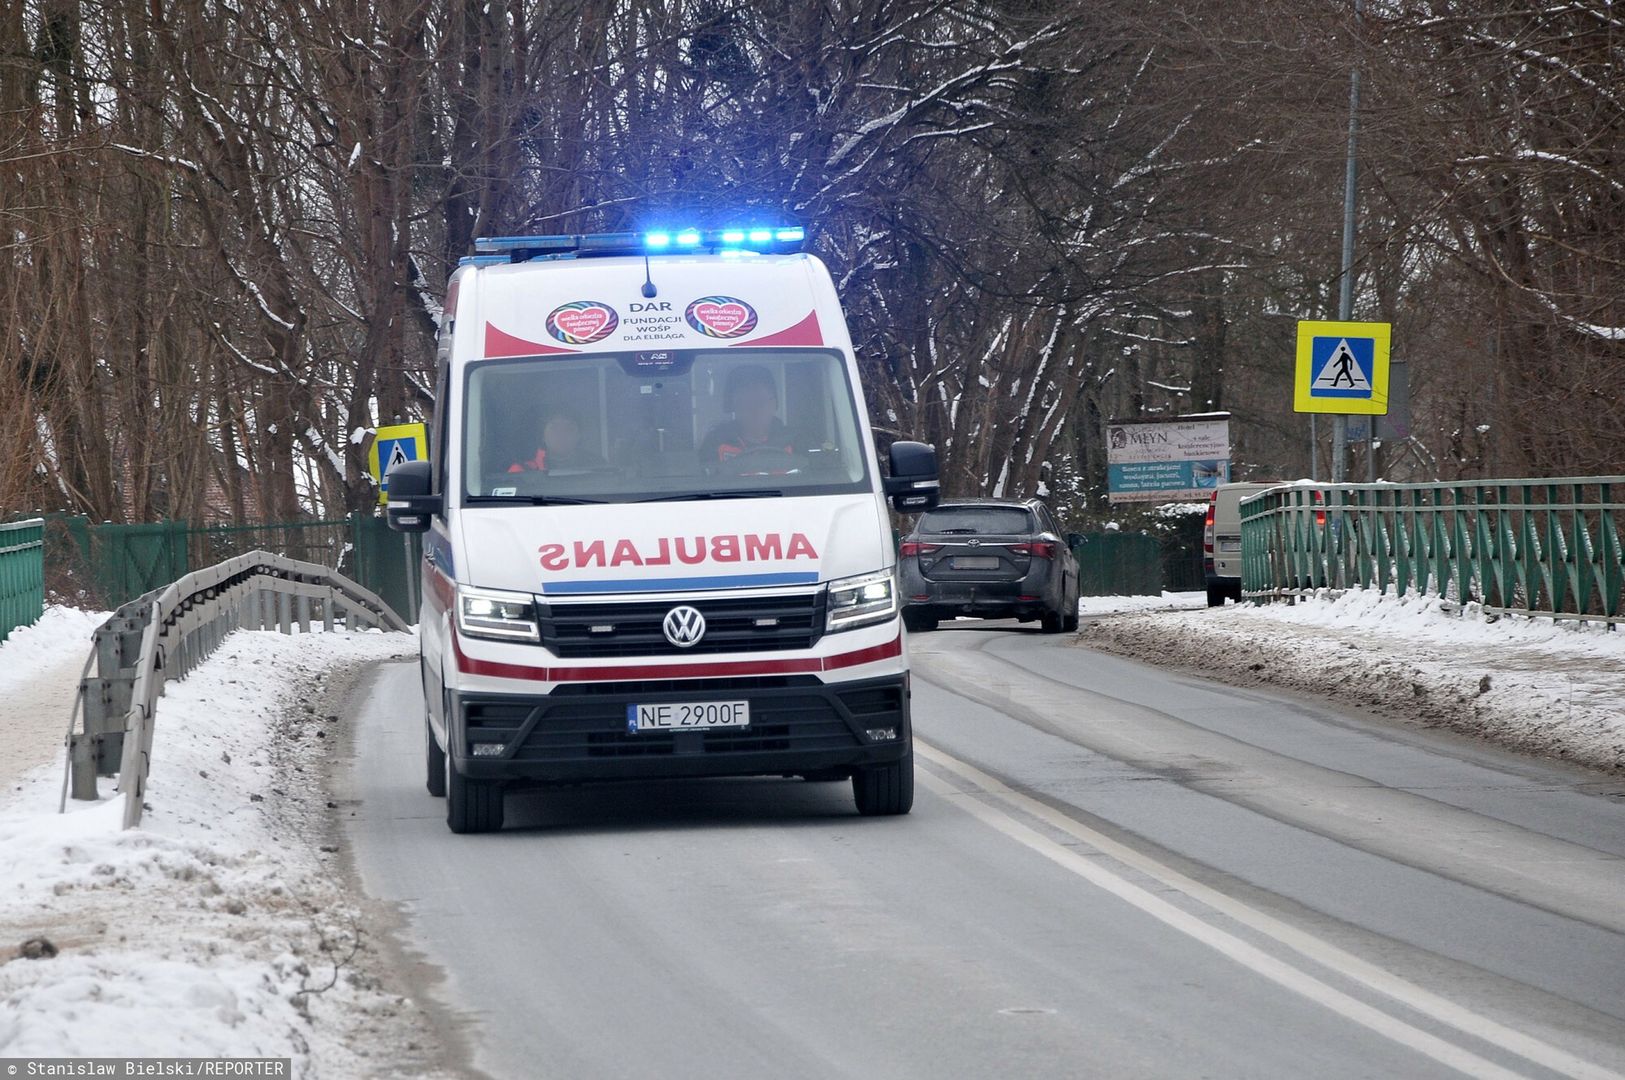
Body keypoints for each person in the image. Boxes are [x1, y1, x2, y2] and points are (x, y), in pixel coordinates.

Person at [699, 365, 795, 466]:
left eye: (761, 401)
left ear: (774, 404)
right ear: (734, 407)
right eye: (746, 403)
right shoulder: (715, 443)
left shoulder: (796, 441)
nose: (755, 409)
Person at [508, 409, 603, 473]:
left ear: (579, 436)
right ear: (543, 436)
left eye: (569, 428)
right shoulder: (521, 471)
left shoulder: (598, 468)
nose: (561, 434)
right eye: (554, 428)